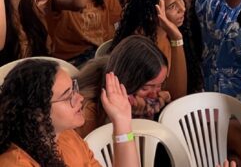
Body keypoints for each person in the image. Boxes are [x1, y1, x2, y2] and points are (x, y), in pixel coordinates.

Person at [0, 59, 139, 166]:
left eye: (74, 89)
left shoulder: (68, 137)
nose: (80, 98)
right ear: (37, 113)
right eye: (68, 96)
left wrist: (122, 122)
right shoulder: (15, 163)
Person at [111, 0, 188, 100]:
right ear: (151, 14)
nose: (183, 8)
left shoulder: (168, 31)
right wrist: (177, 40)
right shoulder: (140, 47)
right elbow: (176, 97)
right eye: (172, 6)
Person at [75, 35, 169, 137]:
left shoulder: (150, 102)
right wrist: (126, 117)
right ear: (126, 81)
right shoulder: (89, 113)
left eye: (159, 85)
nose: (154, 95)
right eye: (145, 88)